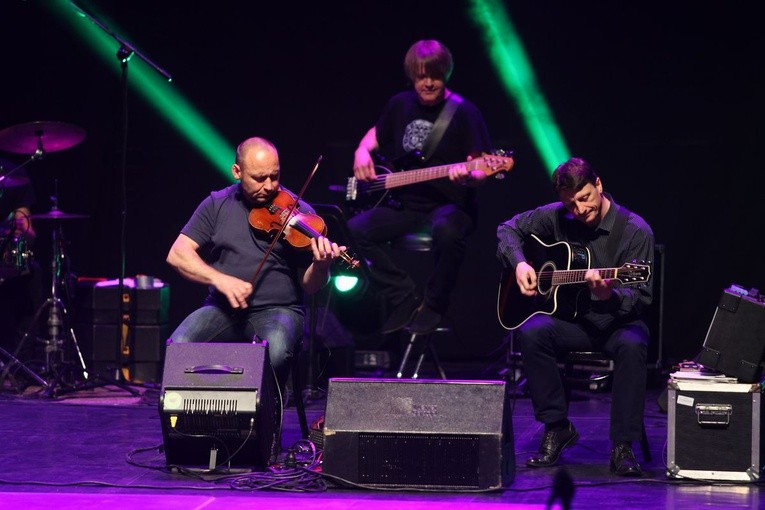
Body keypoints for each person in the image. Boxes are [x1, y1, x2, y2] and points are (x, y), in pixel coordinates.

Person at [496, 157, 654, 477]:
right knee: (532, 332)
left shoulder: (635, 230)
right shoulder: (557, 216)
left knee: (633, 345)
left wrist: (609, 294)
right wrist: (520, 264)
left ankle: (623, 445)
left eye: (584, 199)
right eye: (571, 204)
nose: (579, 210)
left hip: (617, 322)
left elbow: (640, 297)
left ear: (598, 185)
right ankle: (557, 427)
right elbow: (507, 228)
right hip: (574, 321)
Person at [166, 137, 346, 395]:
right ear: (237, 172)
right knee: (180, 345)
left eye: (275, 176)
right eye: (259, 178)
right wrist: (220, 279)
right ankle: (200, 421)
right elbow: (177, 254)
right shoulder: (217, 204)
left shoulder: (299, 212)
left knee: (274, 351)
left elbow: (311, 285)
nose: (270, 186)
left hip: (279, 310)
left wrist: (321, 266)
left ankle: (265, 425)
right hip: (222, 309)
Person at [348, 39, 494, 335]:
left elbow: (481, 168)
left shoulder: (465, 113)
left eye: (435, 76)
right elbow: (374, 135)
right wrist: (361, 152)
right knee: (352, 230)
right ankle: (403, 296)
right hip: (405, 205)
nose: (428, 83)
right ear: (412, 76)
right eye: (421, 77)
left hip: (450, 205)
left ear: (446, 74)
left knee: (448, 232)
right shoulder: (399, 104)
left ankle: (433, 305)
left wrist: (468, 175)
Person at [0, 158, 39, 386]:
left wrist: (24, 230)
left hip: (4, 253)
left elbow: (25, 224)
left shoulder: (14, 171)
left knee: (33, 277)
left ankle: (17, 368)